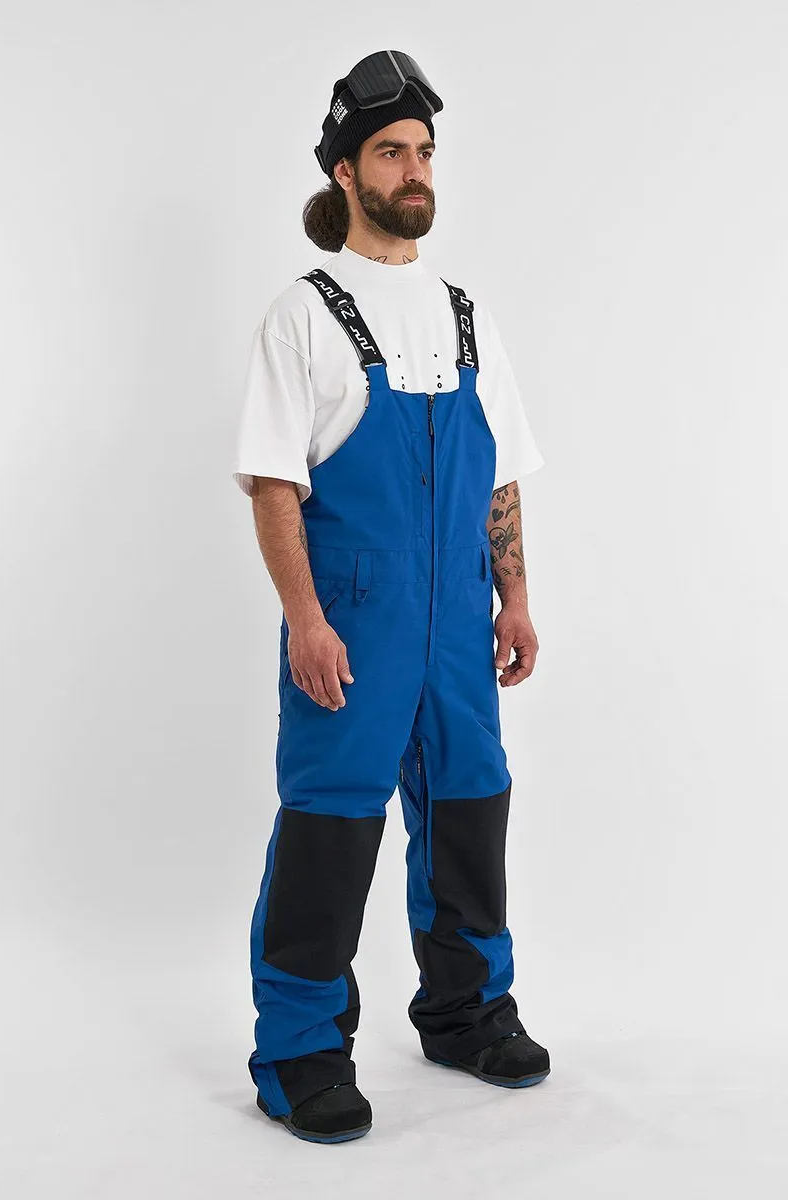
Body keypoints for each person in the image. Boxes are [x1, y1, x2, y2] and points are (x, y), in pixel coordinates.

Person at [232, 50, 550, 1144]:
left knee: (470, 809)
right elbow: (274, 483)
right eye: (389, 152)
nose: (414, 170)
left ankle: (467, 1013)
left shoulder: (465, 314)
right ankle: (301, 1051)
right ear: (345, 171)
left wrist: (514, 597)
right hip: (353, 626)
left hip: (459, 625)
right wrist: (305, 620)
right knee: (330, 827)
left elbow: (498, 472)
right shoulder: (305, 315)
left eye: (423, 151)